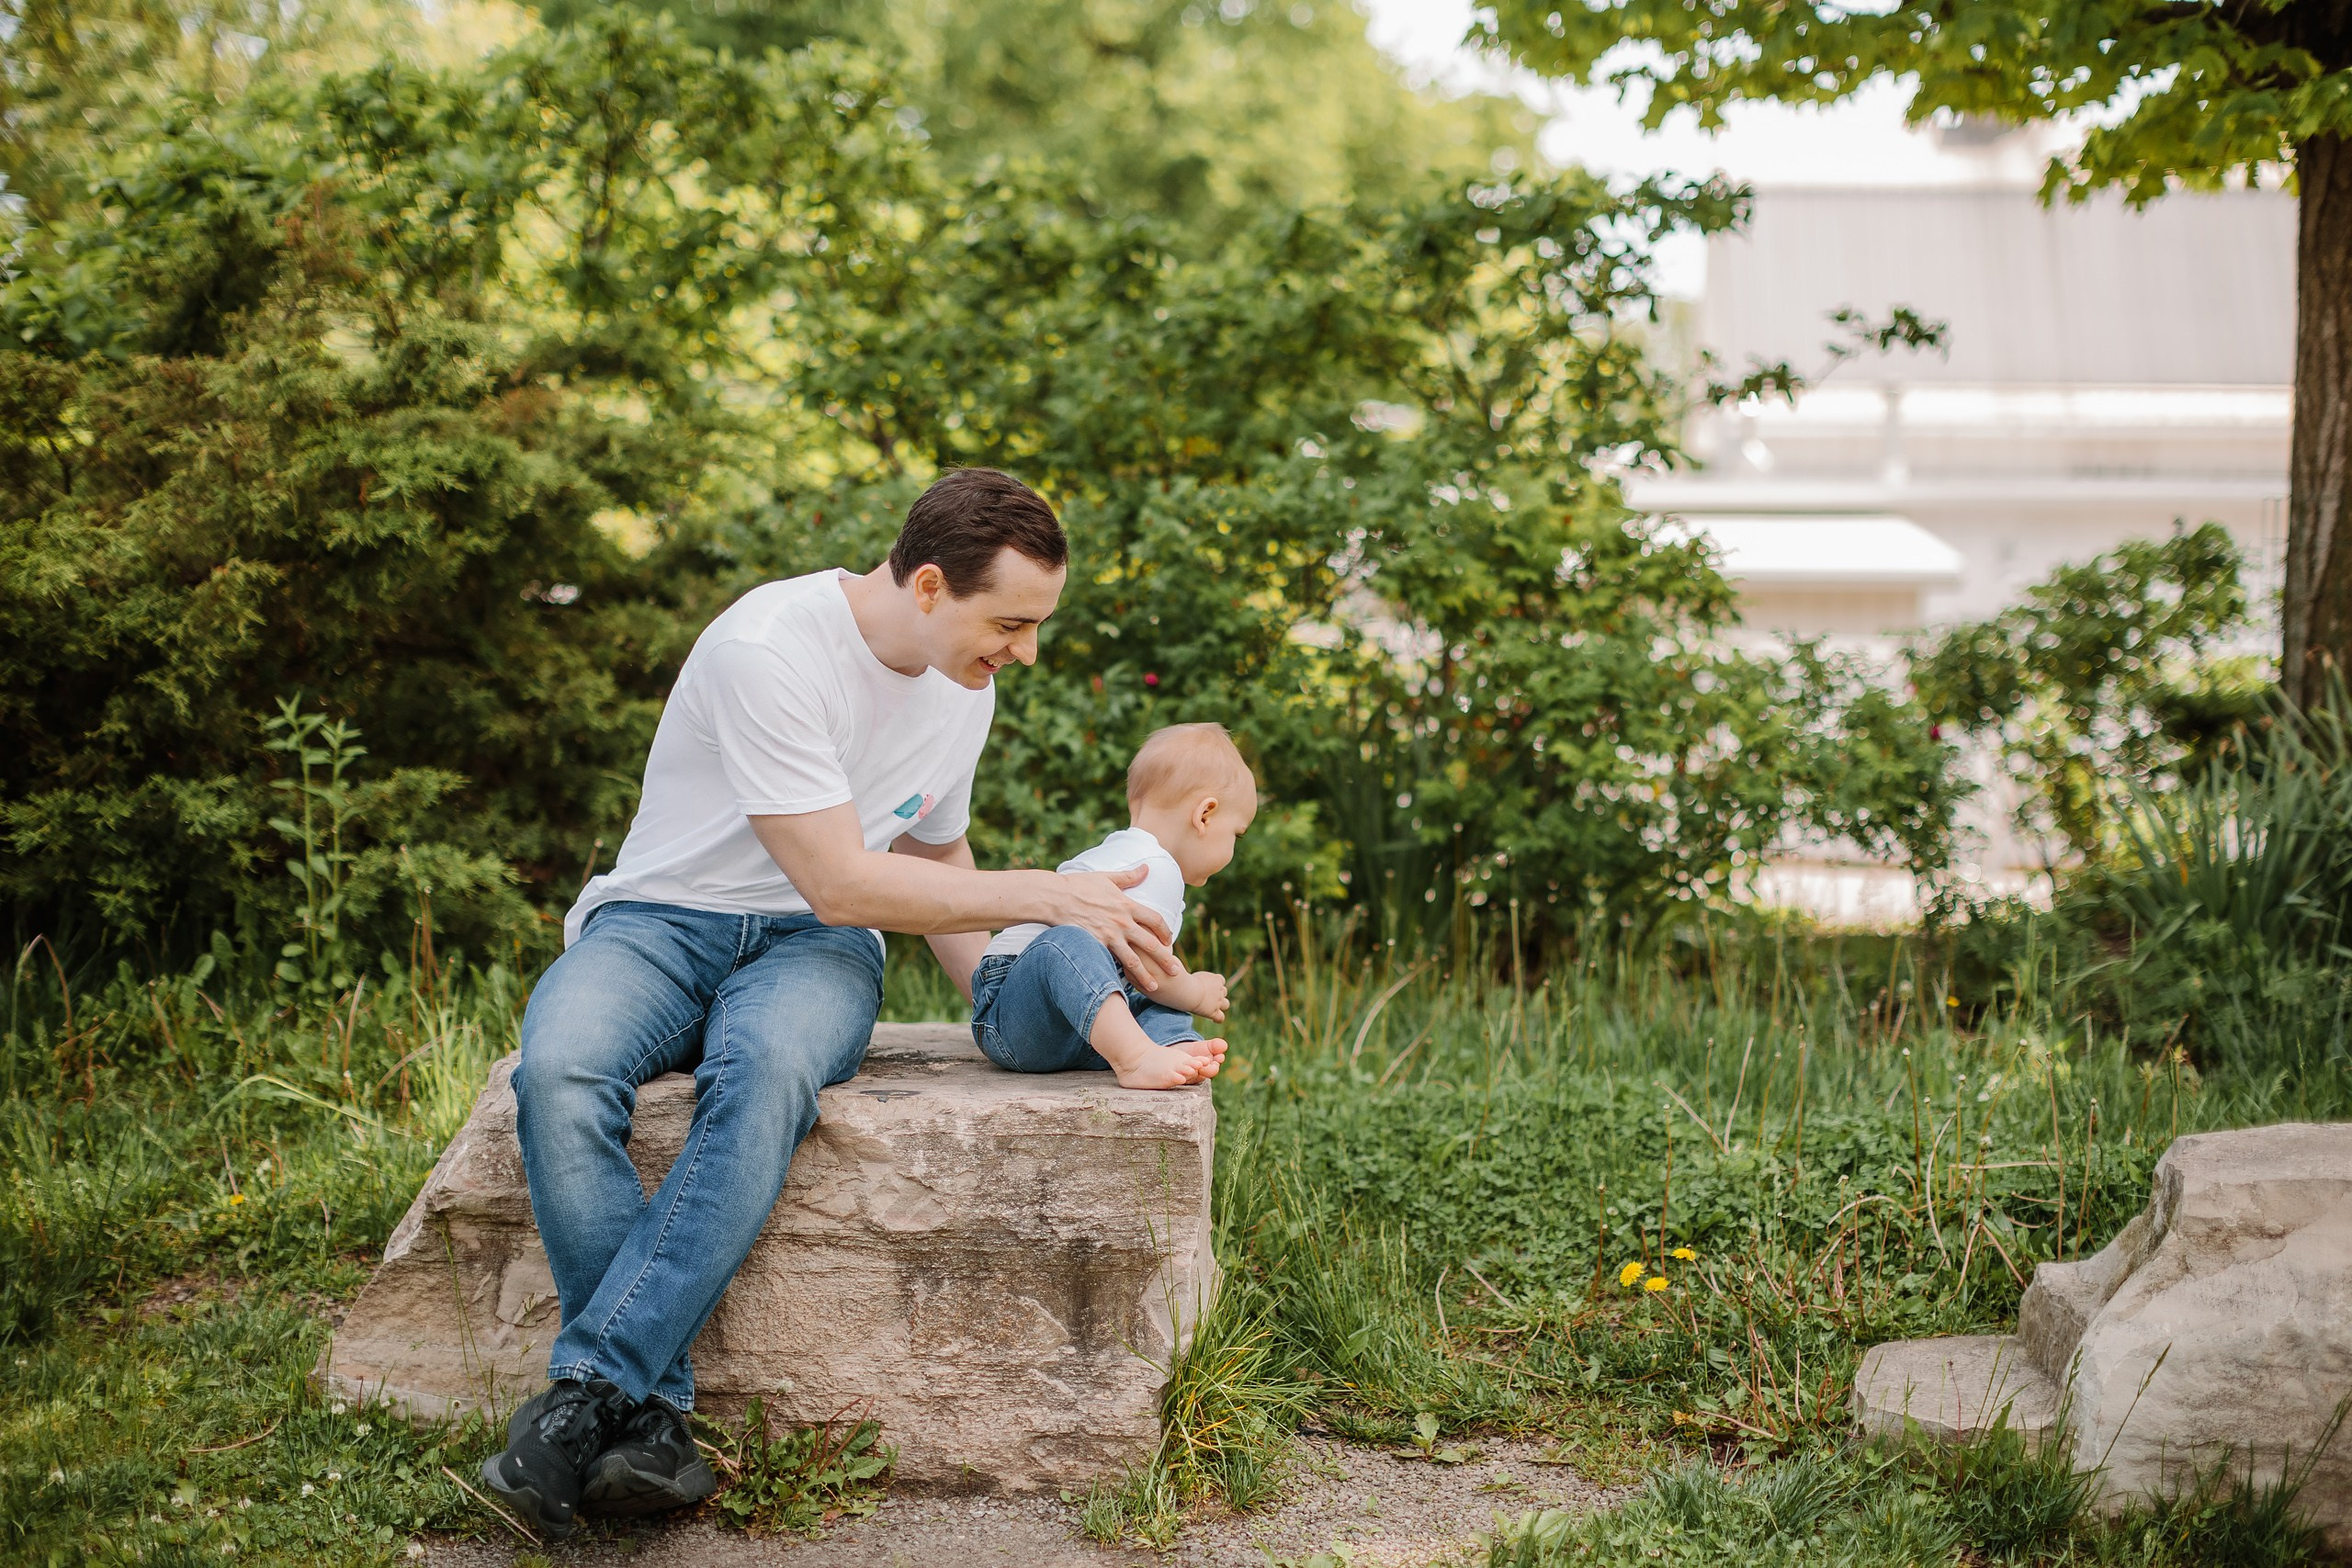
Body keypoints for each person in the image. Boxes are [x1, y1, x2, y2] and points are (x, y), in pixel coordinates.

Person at [479, 468, 1184, 1538]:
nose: (1025, 651)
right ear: (933, 586)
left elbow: (931, 851)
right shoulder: (767, 650)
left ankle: (585, 1403)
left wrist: (1001, 991)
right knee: (561, 1070)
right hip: (661, 919)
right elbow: (843, 876)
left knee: (762, 1072)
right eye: (1012, 622)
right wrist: (1045, 891)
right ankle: (649, 1415)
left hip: (815, 952)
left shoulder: (965, 686)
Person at [969, 723, 1253, 1088]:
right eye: (1236, 834)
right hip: (1015, 1014)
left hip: (1077, 1029)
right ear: (1205, 815)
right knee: (1079, 947)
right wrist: (1196, 992)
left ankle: (1169, 1044)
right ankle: (1136, 1058)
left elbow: (1145, 977)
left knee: (1157, 989)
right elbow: (1152, 973)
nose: (1233, 847)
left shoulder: (1132, 854)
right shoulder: (1153, 866)